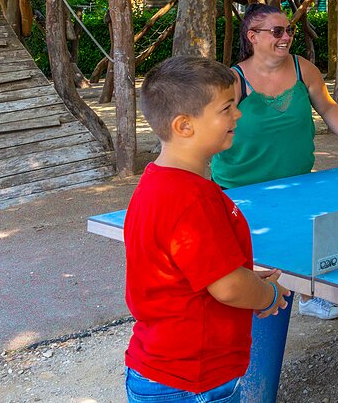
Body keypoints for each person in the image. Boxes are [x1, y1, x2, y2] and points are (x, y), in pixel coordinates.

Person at [124, 56, 290, 403]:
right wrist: (269, 296)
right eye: (227, 108)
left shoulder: (160, 183)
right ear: (185, 126)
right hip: (192, 380)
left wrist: (241, 273)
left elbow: (191, 268)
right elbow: (228, 288)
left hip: (162, 367)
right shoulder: (191, 198)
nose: (238, 114)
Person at [214, 3, 338, 325]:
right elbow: (214, 122)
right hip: (240, 183)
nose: (287, 36)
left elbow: (328, 107)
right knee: (252, 248)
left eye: (289, 30)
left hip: (296, 178)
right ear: (253, 36)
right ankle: (253, 304)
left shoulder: (303, 67)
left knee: (305, 239)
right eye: (277, 31)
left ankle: (308, 298)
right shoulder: (234, 79)